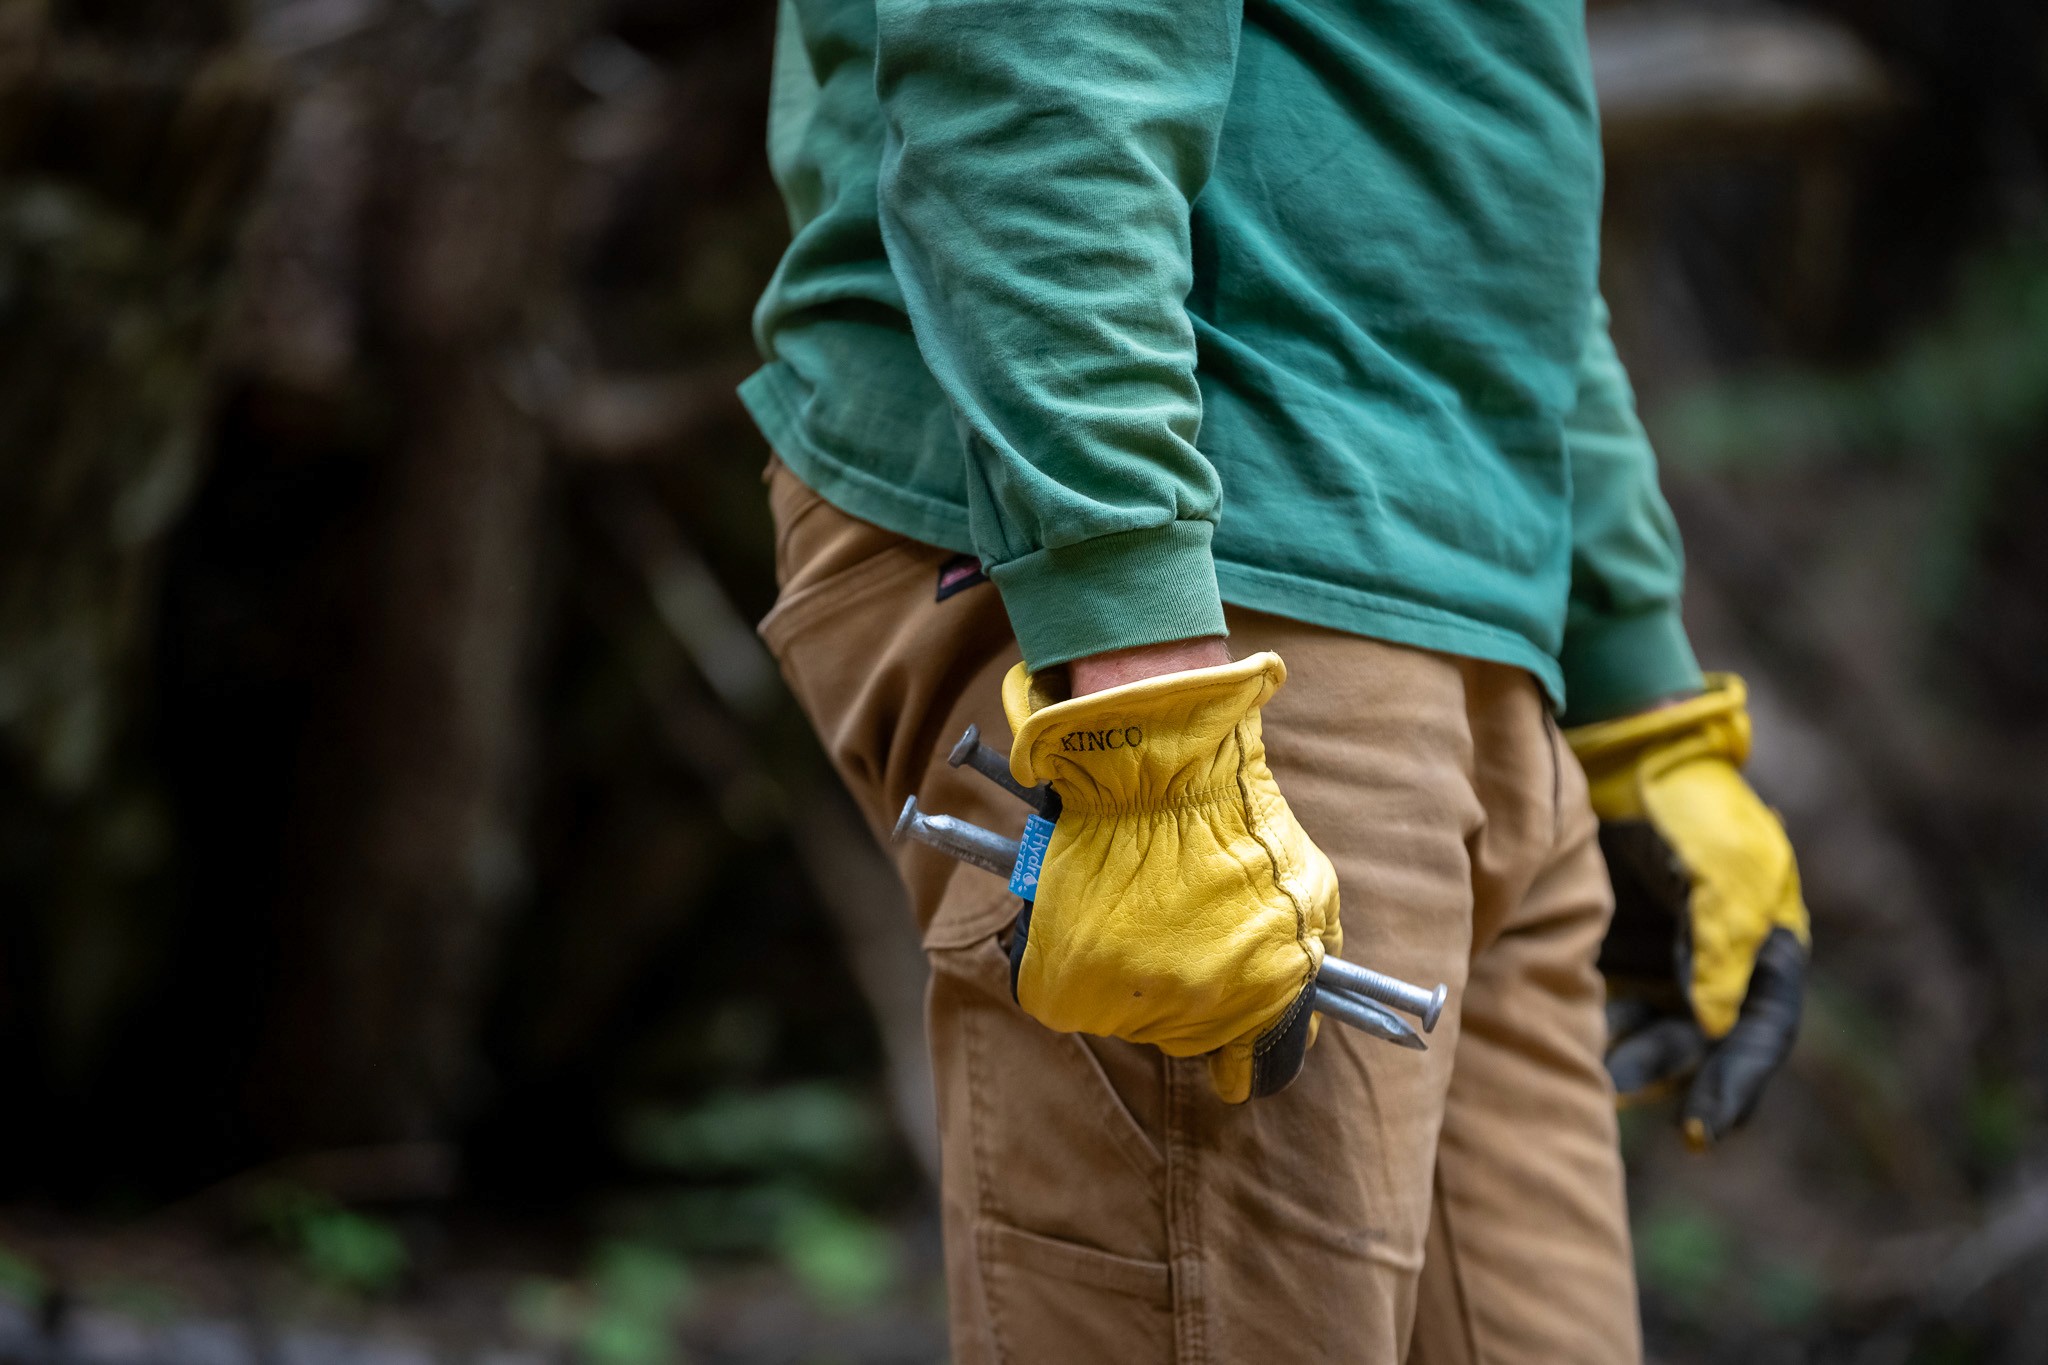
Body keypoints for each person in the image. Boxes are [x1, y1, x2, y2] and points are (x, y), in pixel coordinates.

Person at [741, 0, 1809, 1358]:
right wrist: (1142, 683)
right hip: (1214, 593)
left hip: (1473, 621)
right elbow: (1038, 46)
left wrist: (1636, 692)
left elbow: (1473, 141)